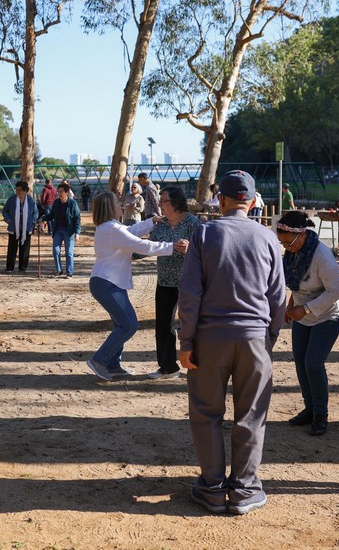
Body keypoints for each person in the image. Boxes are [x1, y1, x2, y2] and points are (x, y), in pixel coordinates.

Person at [177, 170, 285, 515]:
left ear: (220, 200)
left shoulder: (204, 233)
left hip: (209, 339)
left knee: (206, 413)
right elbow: (278, 298)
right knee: (252, 415)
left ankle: (210, 488)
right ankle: (244, 489)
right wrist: (267, 339)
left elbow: (190, 293)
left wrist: (186, 341)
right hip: (254, 337)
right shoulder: (268, 238)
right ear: (252, 203)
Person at [86, 191, 187, 381]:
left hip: (109, 282)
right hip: (107, 283)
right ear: (109, 206)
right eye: (117, 201)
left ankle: (113, 364)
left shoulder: (111, 227)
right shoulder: (112, 229)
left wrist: (151, 222)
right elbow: (142, 246)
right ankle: (99, 360)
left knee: (120, 323)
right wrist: (172, 246)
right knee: (128, 324)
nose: (121, 203)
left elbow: (131, 233)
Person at [276, 211, 339, 437]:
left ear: (302, 234)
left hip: (327, 314)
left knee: (313, 363)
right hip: (301, 311)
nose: (286, 246)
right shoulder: (293, 253)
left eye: (288, 241)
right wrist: (290, 305)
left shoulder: (322, 257)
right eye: (282, 242)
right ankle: (309, 408)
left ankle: (320, 416)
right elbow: (297, 285)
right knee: (300, 361)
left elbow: (335, 291)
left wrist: (303, 309)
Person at [147, 186, 200, 379]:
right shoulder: (160, 225)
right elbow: (147, 247)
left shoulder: (192, 223)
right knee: (163, 326)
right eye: (160, 201)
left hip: (189, 282)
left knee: (191, 325)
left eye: (164, 201)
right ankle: (168, 368)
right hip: (164, 282)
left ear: (176, 203)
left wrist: (190, 250)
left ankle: (198, 365)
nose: (160, 204)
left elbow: (206, 251)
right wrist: (123, 249)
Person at [39, 183, 81, 278]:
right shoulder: (56, 202)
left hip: (69, 231)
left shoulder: (72, 203)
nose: (59, 193)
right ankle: (59, 270)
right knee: (55, 250)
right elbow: (52, 215)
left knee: (69, 252)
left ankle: (69, 272)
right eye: (58, 191)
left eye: (61, 191)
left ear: (66, 192)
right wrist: (43, 218)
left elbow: (77, 218)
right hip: (58, 230)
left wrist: (77, 232)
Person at [2, 181, 37, 273]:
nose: (17, 192)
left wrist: (32, 222)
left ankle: (23, 267)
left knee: (25, 249)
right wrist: (8, 220)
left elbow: (35, 212)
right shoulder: (12, 199)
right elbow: (5, 211)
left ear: (25, 191)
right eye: (16, 189)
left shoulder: (31, 200)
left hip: (26, 228)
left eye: (20, 190)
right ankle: (9, 267)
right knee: (12, 248)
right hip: (13, 228)